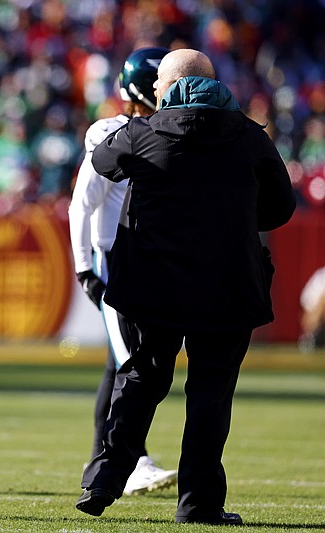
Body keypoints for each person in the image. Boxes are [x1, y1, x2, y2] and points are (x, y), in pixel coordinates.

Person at [75, 48, 296, 525]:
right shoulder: (251, 138)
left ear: (170, 86)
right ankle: (198, 504)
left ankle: (105, 478)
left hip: (155, 288)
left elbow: (103, 162)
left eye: (158, 86)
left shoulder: (142, 132)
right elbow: (281, 207)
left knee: (141, 381)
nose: (153, 92)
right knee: (210, 397)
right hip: (228, 288)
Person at [68, 47, 178, 496]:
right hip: (115, 258)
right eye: (159, 84)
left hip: (151, 259)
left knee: (128, 364)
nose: (164, 93)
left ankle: (123, 460)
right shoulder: (111, 132)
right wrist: (83, 267)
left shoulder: (168, 129)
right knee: (126, 363)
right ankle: (125, 463)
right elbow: (83, 202)